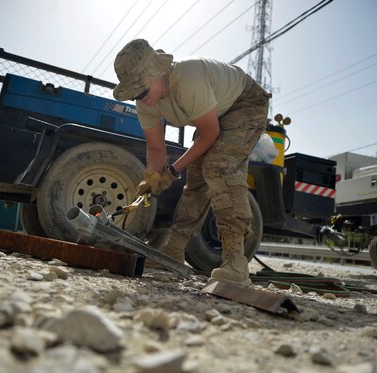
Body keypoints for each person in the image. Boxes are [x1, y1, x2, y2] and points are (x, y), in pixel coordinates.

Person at [112, 38, 270, 287]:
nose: (141, 99)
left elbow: (210, 134)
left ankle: (235, 261)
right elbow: (155, 147)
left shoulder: (187, 78)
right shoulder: (145, 102)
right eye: (135, 94)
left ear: (157, 73)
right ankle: (174, 250)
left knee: (218, 166)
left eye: (142, 91)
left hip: (246, 104)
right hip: (216, 112)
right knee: (196, 179)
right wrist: (153, 175)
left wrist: (172, 170)